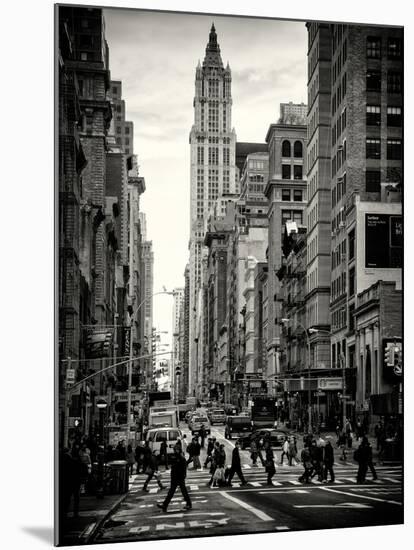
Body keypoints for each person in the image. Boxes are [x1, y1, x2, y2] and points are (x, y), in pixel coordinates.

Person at [157, 446, 192, 512]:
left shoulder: (181, 458)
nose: (175, 451)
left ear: (179, 450)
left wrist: (183, 475)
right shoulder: (175, 457)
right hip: (175, 477)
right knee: (171, 492)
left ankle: (189, 504)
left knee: (183, 491)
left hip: (179, 477)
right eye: (174, 450)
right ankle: (165, 504)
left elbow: (183, 468)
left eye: (176, 450)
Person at [60, 446, 83, 520]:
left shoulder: (61, 460)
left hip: (66, 482)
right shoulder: (74, 461)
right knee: (75, 498)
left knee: (66, 498)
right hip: (75, 482)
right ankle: (75, 513)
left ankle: (64, 513)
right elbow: (80, 470)